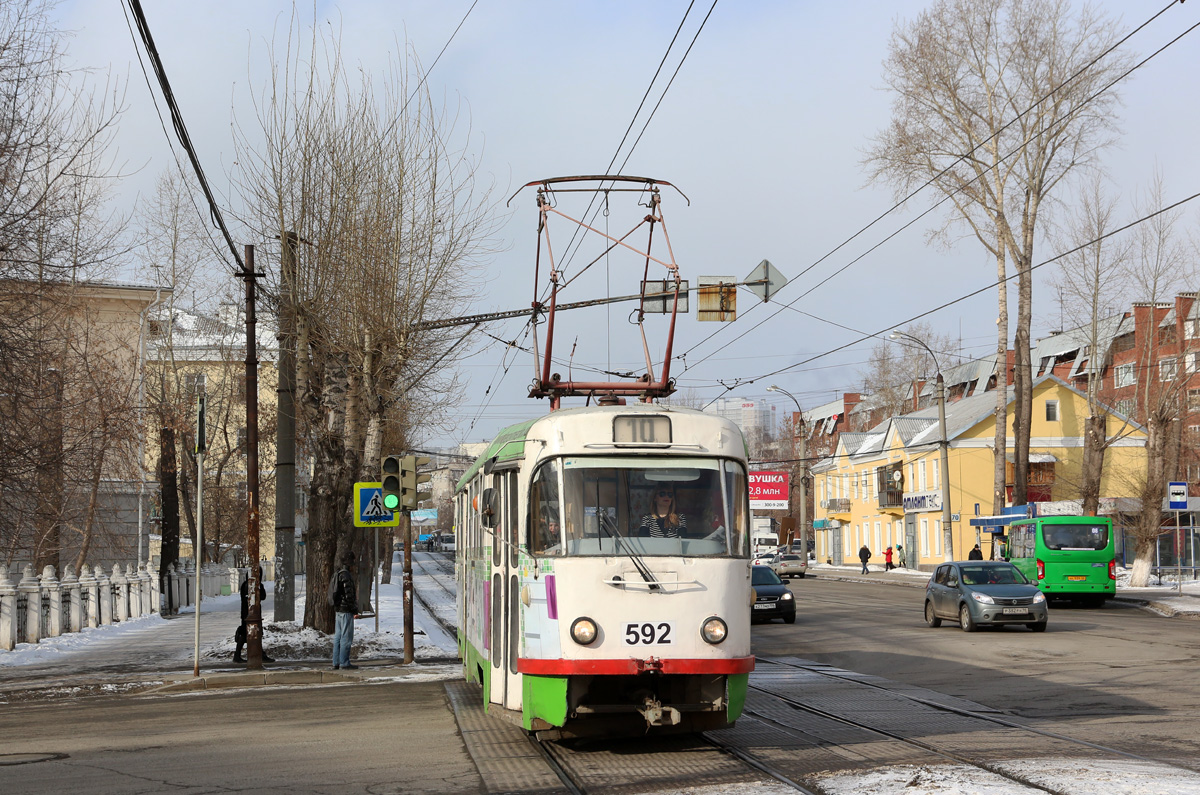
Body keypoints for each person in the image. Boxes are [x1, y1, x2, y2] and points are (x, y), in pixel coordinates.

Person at [234, 565, 274, 663]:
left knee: (254, 633)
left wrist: (259, 587)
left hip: (253, 613)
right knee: (247, 633)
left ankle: (258, 654)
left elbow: (263, 597)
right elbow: (250, 597)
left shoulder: (256, 585)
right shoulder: (247, 585)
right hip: (248, 613)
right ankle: (238, 655)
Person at [331, 551, 359, 670]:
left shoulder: (337, 573)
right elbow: (349, 595)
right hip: (346, 610)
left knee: (338, 637)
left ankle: (336, 662)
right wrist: (354, 609)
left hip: (338, 609)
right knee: (346, 637)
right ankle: (344, 662)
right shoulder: (346, 576)